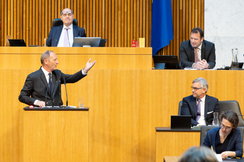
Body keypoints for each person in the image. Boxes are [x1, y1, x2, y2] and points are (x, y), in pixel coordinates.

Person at [18, 50, 96, 107]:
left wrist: (85, 70)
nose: (57, 62)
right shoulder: (33, 77)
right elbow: (22, 96)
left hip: (58, 113)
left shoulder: (57, 74)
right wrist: (36, 102)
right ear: (46, 61)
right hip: (40, 114)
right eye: (55, 60)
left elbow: (72, 78)